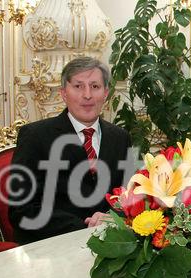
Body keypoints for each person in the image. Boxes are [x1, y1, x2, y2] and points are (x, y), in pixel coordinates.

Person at [9, 56, 133, 244]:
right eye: (78, 86)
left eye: (95, 86)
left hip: (112, 245)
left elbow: (128, 195)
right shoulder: (35, 136)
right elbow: (21, 209)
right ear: (63, 93)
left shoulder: (120, 137)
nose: (87, 95)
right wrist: (85, 227)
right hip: (52, 247)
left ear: (106, 93)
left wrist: (111, 218)